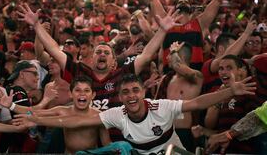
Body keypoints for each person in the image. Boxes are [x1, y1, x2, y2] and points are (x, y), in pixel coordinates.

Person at [17, 3, 181, 141]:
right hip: (86, 139)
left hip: (118, 138)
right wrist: (37, 26)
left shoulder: (122, 74)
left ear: (113, 61)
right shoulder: (80, 72)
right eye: (98, 52)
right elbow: (53, 48)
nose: (102, 54)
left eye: (106, 52)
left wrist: (163, 30)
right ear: (91, 58)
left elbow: (146, 55)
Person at [13, 73, 255, 155]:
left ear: (143, 92)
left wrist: (228, 92)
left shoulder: (162, 107)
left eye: (135, 90)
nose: (131, 96)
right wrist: (35, 117)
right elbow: (76, 120)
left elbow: (198, 102)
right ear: (120, 96)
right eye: (125, 92)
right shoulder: (117, 113)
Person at [0, 75, 111, 154]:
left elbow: (107, 146)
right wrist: (11, 106)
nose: (82, 94)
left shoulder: (99, 116)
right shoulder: (62, 110)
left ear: (93, 95)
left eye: (86, 90)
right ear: (70, 94)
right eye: (77, 90)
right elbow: (33, 112)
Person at [148, 0, 223, 73]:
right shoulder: (166, 21)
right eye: (180, 1)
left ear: (191, 10)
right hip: (170, 76)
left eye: (186, 1)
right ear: (175, 7)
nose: (183, 1)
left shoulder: (199, 23)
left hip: (194, 77)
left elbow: (217, 0)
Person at [166, 41, 204, 151]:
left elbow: (177, 65)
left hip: (186, 132)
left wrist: (174, 51)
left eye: (170, 54)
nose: (168, 57)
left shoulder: (197, 77)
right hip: (168, 131)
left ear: (181, 56)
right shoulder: (169, 79)